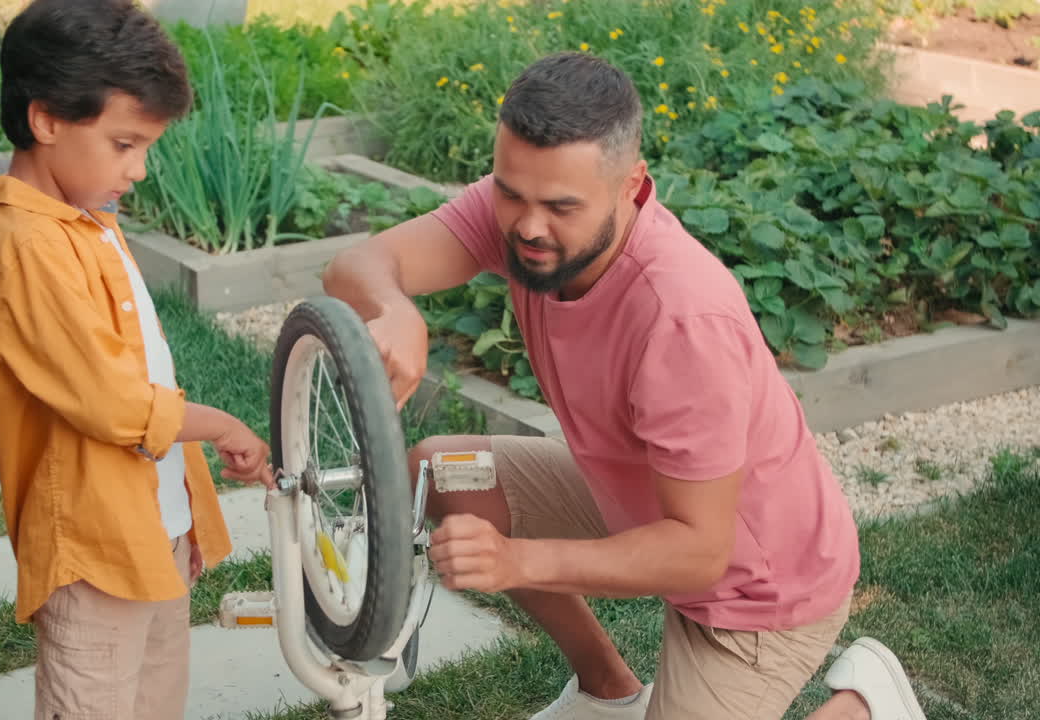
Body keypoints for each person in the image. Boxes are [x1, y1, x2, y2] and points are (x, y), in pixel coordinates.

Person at [322, 51, 926, 720]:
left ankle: (866, 707)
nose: (527, 226)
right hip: (637, 496)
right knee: (445, 474)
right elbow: (357, 265)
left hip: (755, 585)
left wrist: (517, 561)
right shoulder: (527, 215)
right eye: (509, 192)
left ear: (632, 186)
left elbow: (698, 554)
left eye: (559, 206)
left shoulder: (682, 321)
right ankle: (605, 692)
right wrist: (393, 307)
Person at [0, 1, 274, 718]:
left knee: (155, 698)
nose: (139, 169)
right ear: (46, 121)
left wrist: (182, 516)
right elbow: (117, 405)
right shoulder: (31, 247)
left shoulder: (87, 222)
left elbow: (147, 374)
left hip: (148, 535)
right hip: (92, 550)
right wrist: (226, 425)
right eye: (124, 144)